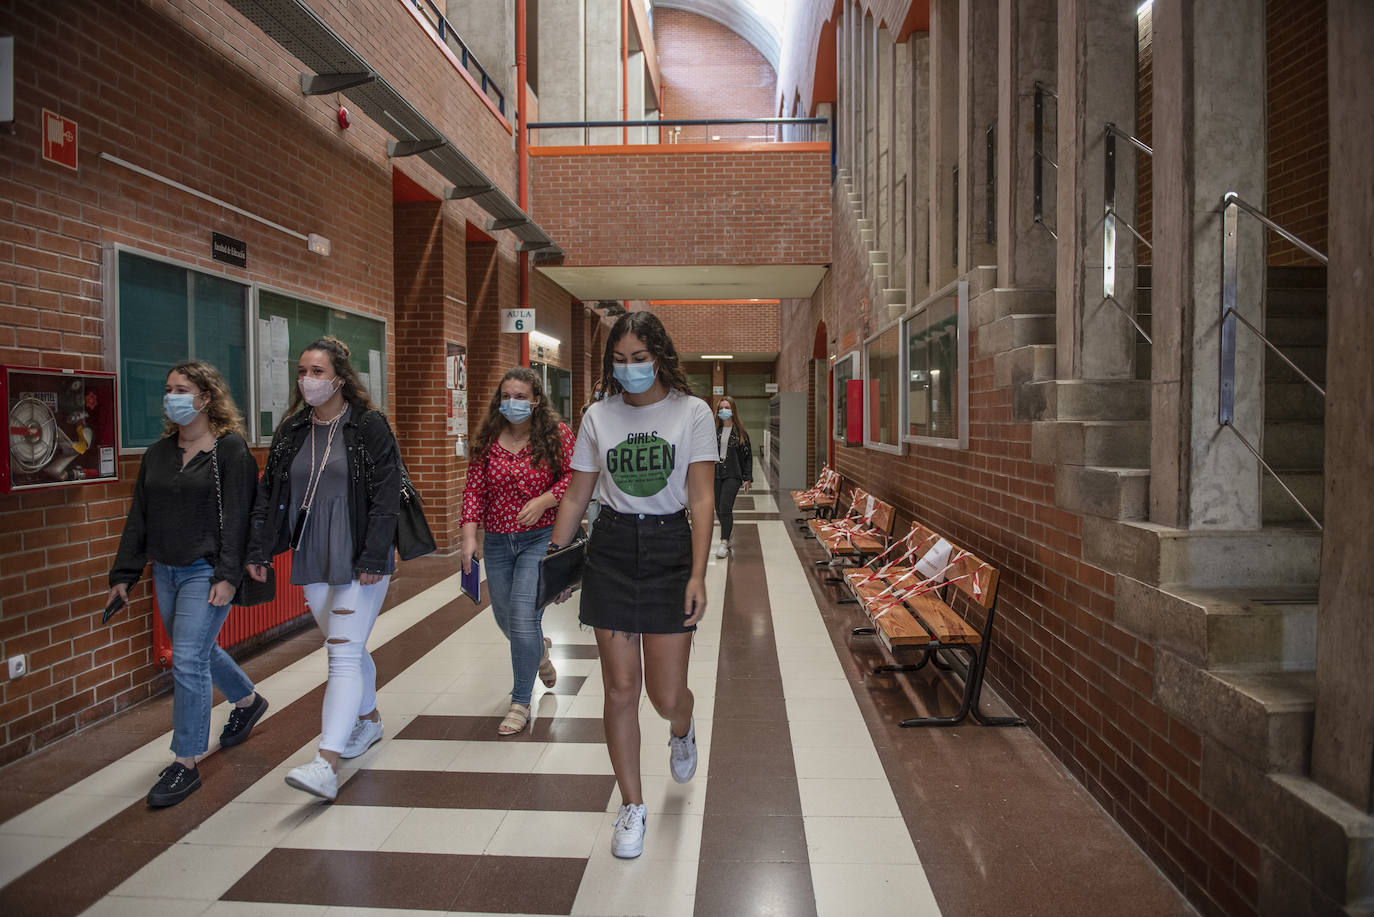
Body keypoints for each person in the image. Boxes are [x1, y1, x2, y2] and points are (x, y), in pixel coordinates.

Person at [549, 310, 717, 859]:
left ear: (660, 356)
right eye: (619, 361)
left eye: (640, 359)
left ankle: (683, 727)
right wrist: (554, 556)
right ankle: (633, 805)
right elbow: (577, 495)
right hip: (614, 549)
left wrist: (698, 574)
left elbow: (700, 498)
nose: (630, 370)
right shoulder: (599, 416)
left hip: (671, 548)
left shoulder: (692, 412)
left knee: (665, 695)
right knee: (620, 690)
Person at [245, 336, 400, 802]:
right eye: (302, 371)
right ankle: (369, 721)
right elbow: (268, 494)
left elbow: (387, 492)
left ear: (339, 378)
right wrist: (257, 551)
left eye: (316, 372)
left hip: (359, 554)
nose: (307, 380)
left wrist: (376, 554)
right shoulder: (292, 431)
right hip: (311, 549)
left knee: (341, 654)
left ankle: (325, 763)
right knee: (348, 647)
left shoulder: (368, 426)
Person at [108, 361, 268, 808]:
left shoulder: (229, 450)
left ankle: (186, 761)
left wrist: (227, 576)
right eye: (167, 389)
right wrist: (124, 575)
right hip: (166, 569)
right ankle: (248, 700)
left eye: (182, 389)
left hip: (206, 569)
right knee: (197, 650)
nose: (172, 396)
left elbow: (238, 518)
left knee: (188, 661)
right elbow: (139, 518)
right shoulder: (157, 455)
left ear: (205, 397)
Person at [460, 367, 576, 736]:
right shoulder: (489, 438)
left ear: (536, 400)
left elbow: (575, 476)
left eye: (520, 397)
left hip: (539, 538)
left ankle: (521, 700)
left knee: (523, 617)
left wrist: (545, 500)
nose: (512, 403)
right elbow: (474, 490)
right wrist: (468, 537)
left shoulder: (557, 435)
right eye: (506, 396)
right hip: (497, 541)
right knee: (506, 618)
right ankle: (539, 651)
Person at [712, 395, 753, 558]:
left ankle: (723, 542)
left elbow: (747, 456)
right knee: (718, 508)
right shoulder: (714, 431)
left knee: (725, 506)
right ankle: (727, 535)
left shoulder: (741, 433)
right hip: (716, 473)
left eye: (727, 408)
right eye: (721, 408)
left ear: (733, 410)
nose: (724, 411)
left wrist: (747, 477)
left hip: (733, 474)